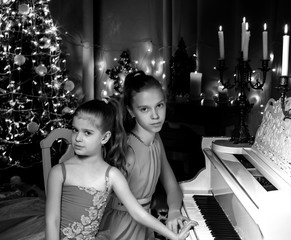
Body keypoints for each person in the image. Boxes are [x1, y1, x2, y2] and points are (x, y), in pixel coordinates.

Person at [45, 97, 197, 240]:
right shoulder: (59, 172)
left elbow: (138, 213)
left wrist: (173, 236)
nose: (78, 138)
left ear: (104, 138)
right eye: (75, 130)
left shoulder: (112, 175)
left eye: (87, 133)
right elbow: (52, 220)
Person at [100, 71, 188, 240]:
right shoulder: (128, 150)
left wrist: (174, 212)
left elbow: (172, 185)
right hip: (121, 227)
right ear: (131, 111)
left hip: (145, 223)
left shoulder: (156, 139)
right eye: (144, 109)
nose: (155, 116)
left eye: (159, 105)